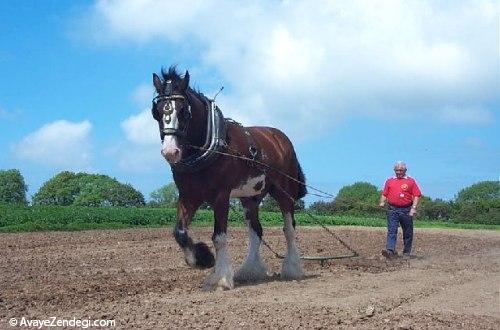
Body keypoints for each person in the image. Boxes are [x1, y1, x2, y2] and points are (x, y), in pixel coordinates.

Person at [379, 161, 422, 259]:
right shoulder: (389, 181)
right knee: (392, 230)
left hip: (406, 210)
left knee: (407, 232)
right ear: (394, 170)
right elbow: (384, 194)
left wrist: (413, 208)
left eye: (401, 170)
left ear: (405, 170)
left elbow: (416, 195)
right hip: (392, 209)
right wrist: (382, 202)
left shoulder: (410, 181)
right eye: (397, 170)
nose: (399, 172)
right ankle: (390, 250)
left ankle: (406, 252)